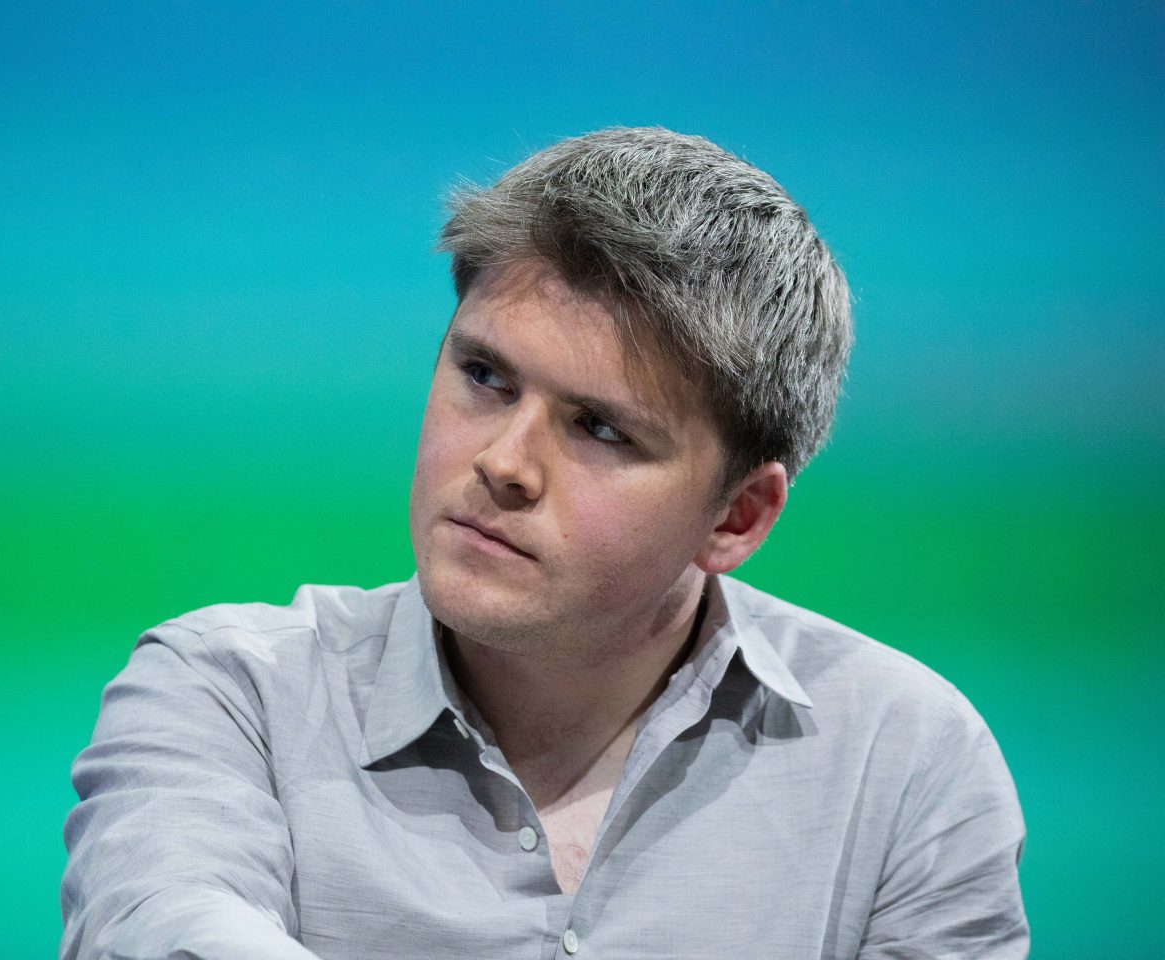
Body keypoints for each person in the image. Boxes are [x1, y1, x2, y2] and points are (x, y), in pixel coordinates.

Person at [60, 127, 1028, 959]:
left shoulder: (906, 765)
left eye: (600, 429)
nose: (504, 463)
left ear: (736, 517)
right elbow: (168, 922)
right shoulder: (228, 696)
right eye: (485, 375)